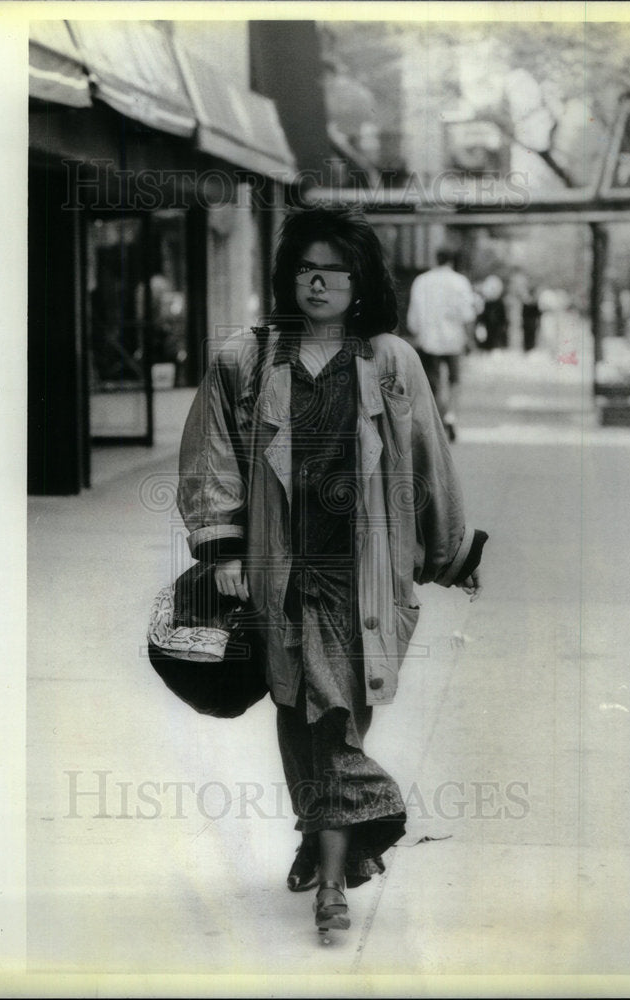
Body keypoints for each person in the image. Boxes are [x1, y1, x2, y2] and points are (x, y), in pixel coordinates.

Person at [177, 206, 487, 941]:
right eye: (304, 269)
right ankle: (333, 870)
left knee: (341, 715)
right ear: (288, 278)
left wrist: (450, 552)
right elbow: (212, 456)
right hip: (279, 570)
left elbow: (425, 462)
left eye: (334, 270)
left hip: (365, 574)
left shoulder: (391, 360)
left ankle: (324, 849)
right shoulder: (245, 359)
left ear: (360, 281)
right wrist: (221, 550)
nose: (317, 282)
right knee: (298, 709)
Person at [406, 248, 479, 441]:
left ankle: (438, 420)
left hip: (428, 339)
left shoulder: (422, 281)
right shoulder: (460, 282)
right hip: (454, 339)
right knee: (455, 380)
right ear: (452, 261)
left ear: (436, 259)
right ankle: (451, 415)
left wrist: (417, 332)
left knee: (433, 382)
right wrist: (470, 339)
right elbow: (467, 313)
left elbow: (414, 313)